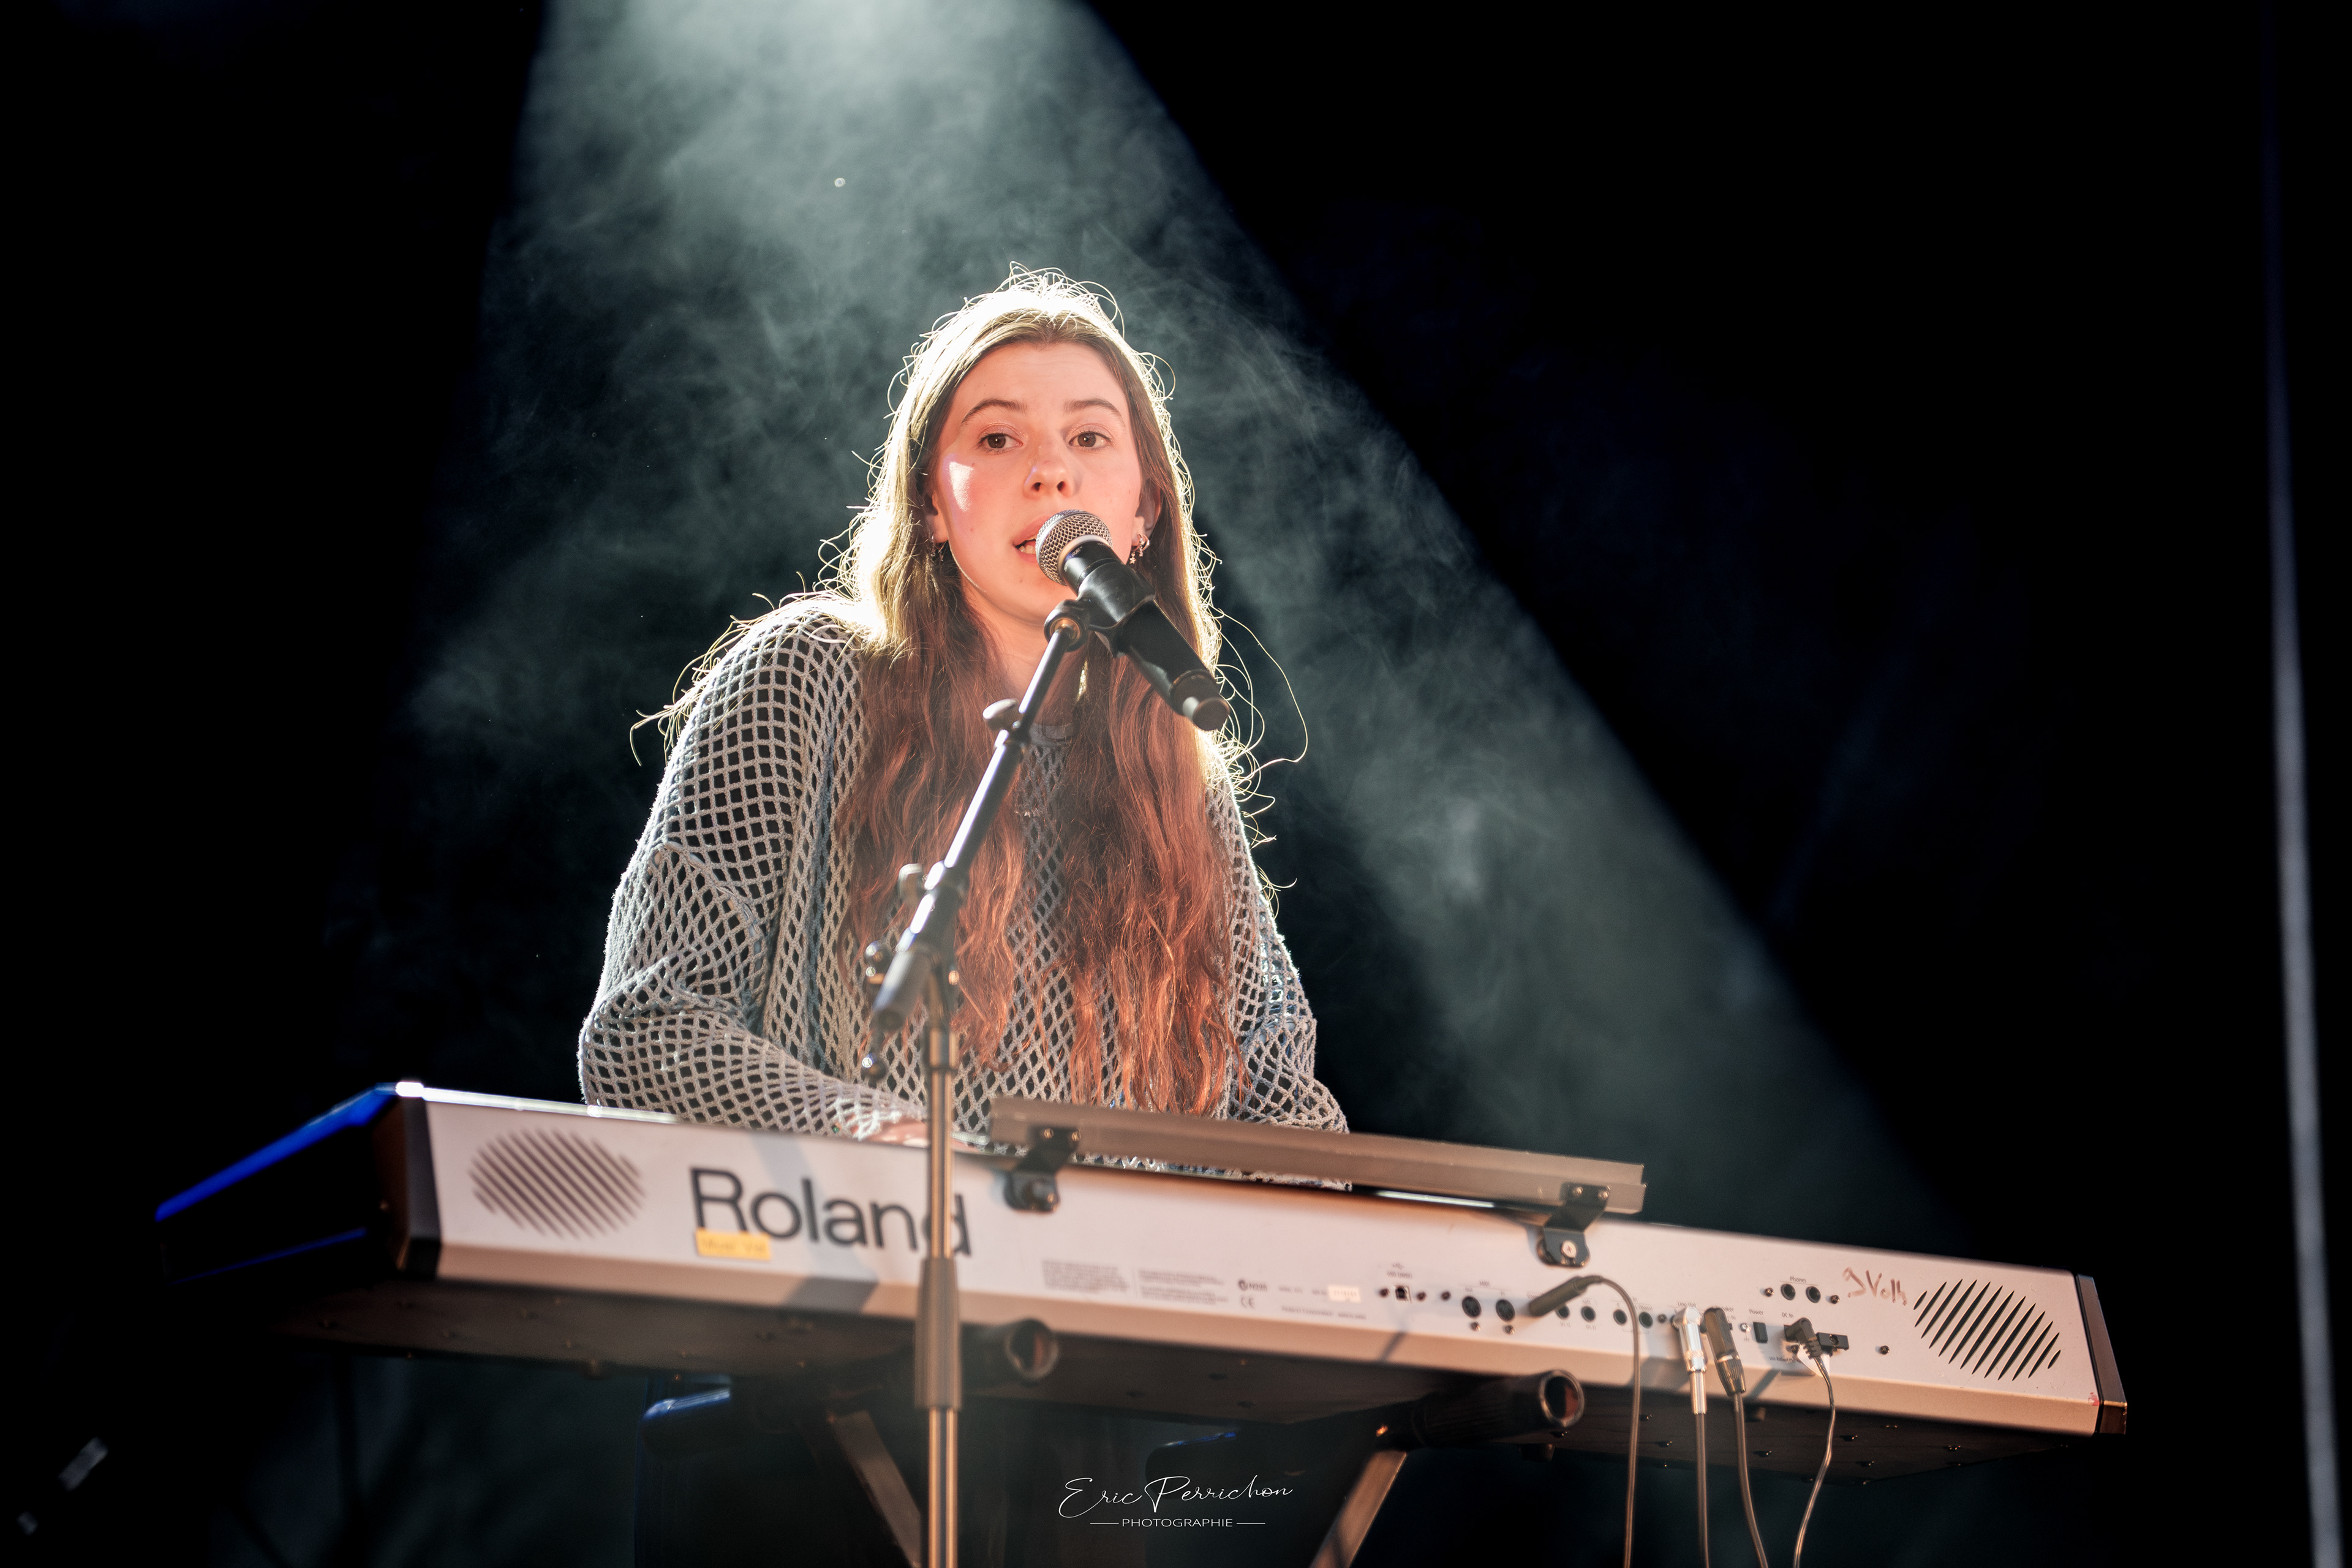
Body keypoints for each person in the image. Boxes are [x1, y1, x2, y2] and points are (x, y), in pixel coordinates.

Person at [578, 265, 1344, 1149]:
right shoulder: (806, 679)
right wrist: (878, 1140)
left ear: (1144, 512)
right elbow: (647, 1028)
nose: (1051, 471)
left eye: (1090, 437)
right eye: (997, 439)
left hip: (1100, 1245)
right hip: (856, 1229)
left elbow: (1285, 1111)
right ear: (931, 506)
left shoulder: (1173, 769)